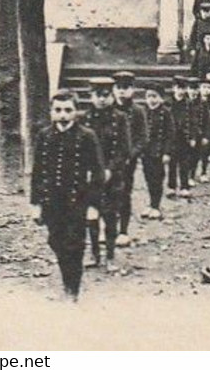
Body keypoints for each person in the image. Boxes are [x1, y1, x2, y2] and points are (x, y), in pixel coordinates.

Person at [30, 89, 105, 300]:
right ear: (52, 112)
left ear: (75, 112)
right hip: (51, 202)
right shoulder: (44, 136)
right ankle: (67, 283)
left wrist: (93, 206)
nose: (63, 115)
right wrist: (35, 204)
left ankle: (72, 290)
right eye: (58, 110)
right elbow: (37, 172)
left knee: (75, 245)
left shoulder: (87, 136)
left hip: (77, 201)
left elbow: (98, 173)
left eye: (67, 110)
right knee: (56, 242)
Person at [83, 76, 132, 271]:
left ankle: (110, 255)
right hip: (90, 177)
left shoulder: (120, 118)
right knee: (91, 216)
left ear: (111, 96)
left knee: (110, 215)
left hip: (114, 176)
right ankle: (94, 254)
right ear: (91, 96)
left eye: (105, 95)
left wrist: (111, 169)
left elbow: (124, 148)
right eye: (97, 95)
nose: (102, 100)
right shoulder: (84, 119)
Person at [112, 70, 148, 246]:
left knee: (124, 193)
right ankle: (108, 230)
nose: (121, 91)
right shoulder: (107, 110)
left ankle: (123, 230)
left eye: (125, 88)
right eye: (118, 87)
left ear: (132, 90)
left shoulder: (138, 111)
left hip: (127, 161)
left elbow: (142, 138)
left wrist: (131, 155)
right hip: (107, 161)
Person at [140, 85, 174, 220]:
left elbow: (170, 134)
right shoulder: (143, 111)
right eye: (149, 97)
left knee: (157, 178)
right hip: (146, 151)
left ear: (161, 98)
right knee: (148, 177)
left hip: (159, 151)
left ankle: (156, 206)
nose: (151, 100)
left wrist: (167, 152)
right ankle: (151, 202)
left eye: (154, 97)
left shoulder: (165, 113)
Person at [167, 75, 195, 198]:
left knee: (184, 163)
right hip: (171, 137)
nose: (181, 91)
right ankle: (171, 186)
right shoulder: (168, 103)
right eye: (178, 88)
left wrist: (193, 137)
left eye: (183, 88)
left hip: (184, 137)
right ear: (174, 88)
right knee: (172, 163)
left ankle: (184, 187)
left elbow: (194, 122)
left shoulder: (189, 104)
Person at [185, 76, 205, 184]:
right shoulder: (183, 102)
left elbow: (206, 120)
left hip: (197, 134)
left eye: (196, 89)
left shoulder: (202, 103)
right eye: (191, 89)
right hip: (184, 133)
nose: (193, 92)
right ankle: (184, 176)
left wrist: (205, 135)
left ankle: (191, 175)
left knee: (195, 156)